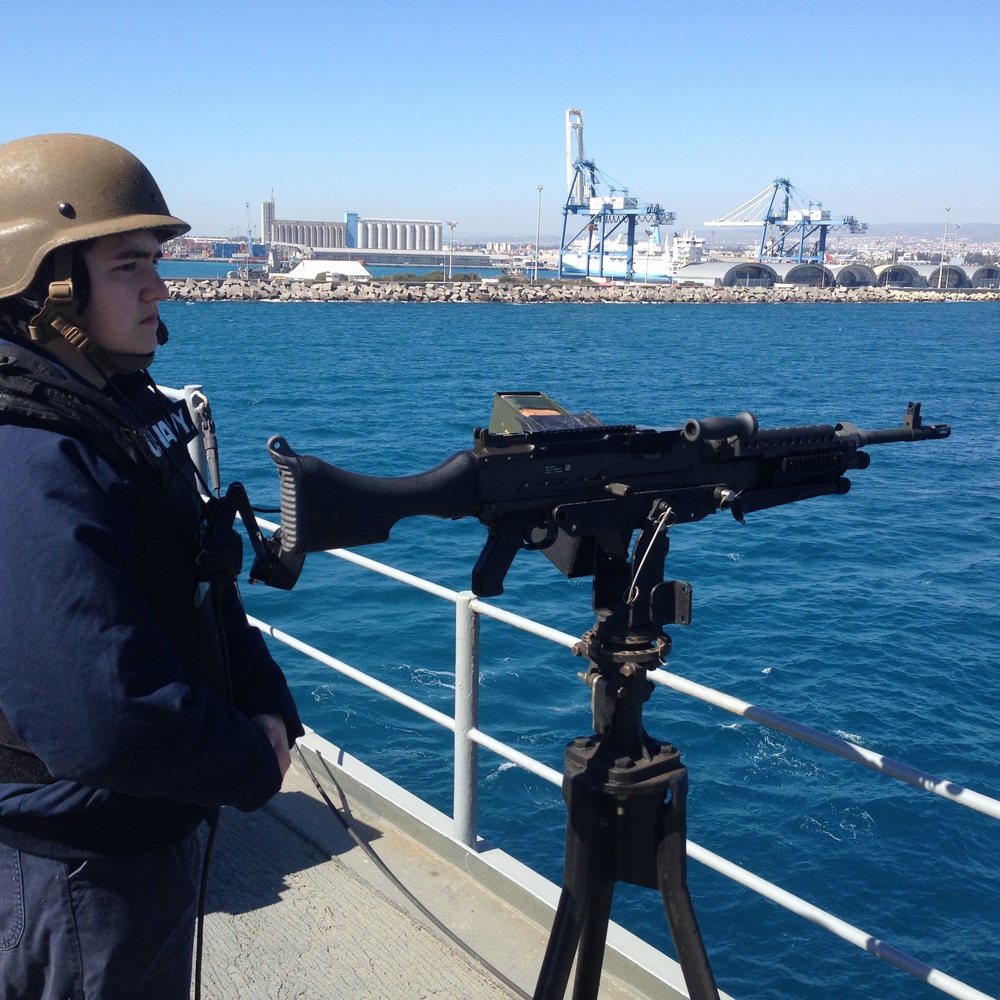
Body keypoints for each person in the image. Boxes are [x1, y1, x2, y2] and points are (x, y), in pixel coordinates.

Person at [0, 133, 304, 998]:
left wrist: (264, 696)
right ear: (50, 282)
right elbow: (95, 718)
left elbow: (200, 580)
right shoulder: (30, 457)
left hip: (130, 846)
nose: (159, 289)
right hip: (75, 877)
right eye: (130, 264)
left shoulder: (112, 414)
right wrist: (247, 759)